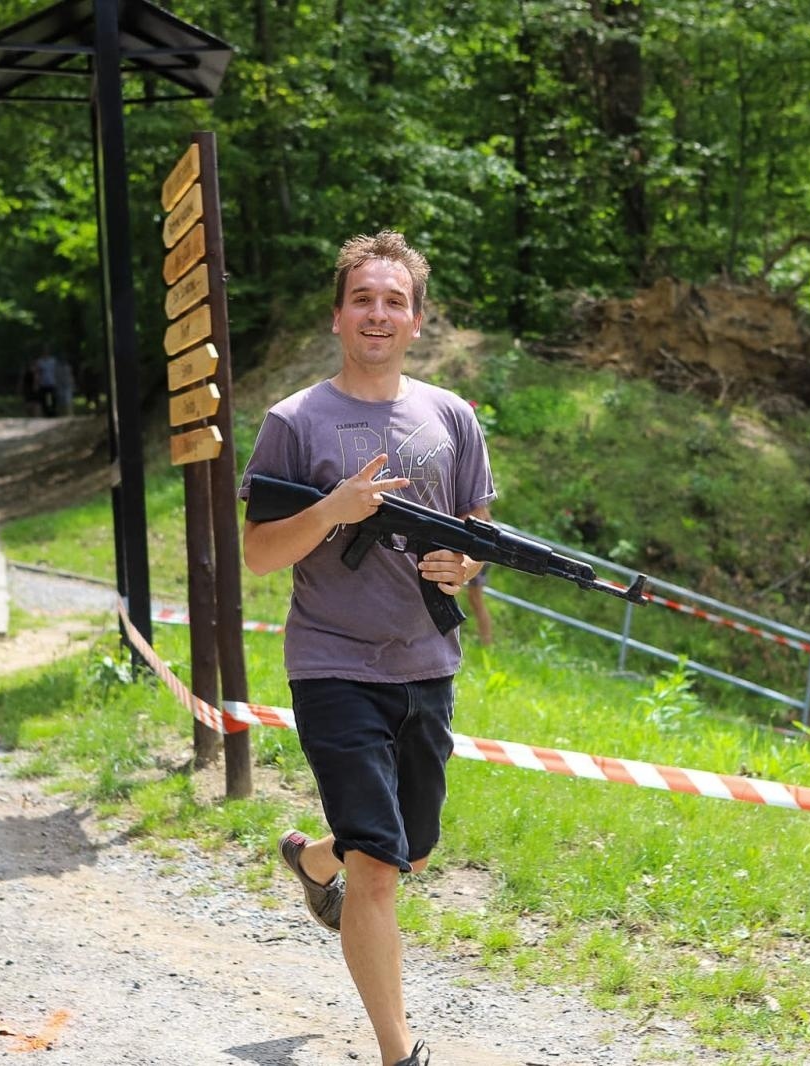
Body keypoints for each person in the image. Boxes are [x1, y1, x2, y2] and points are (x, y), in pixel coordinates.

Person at [240, 231, 494, 1066]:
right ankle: (399, 1052)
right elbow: (260, 553)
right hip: (332, 664)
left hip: (427, 663)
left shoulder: (452, 416)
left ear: (417, 320)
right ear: (337, 316)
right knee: (378, 872)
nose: (377, 314)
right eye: (362, 299)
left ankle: (316, 860)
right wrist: (333, 510)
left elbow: (478, 528)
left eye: (394, 301)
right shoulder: (295, 421)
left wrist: (466, 564)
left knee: (407, 848)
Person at [464, 565, 494, 646]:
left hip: (477, 560)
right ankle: (486, 642)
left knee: (476, 600)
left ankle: (486, 642)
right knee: (474, 600)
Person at [33, 350, 59, 417]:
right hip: (43, 383)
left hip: (52, 382)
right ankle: (46, 412)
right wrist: (36, 383)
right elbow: (37, 373)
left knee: (53, 398)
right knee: (43, 399)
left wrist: (57, 381)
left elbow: (56, 371)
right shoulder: (40, 362)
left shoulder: (53, 361)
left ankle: (53, 412)